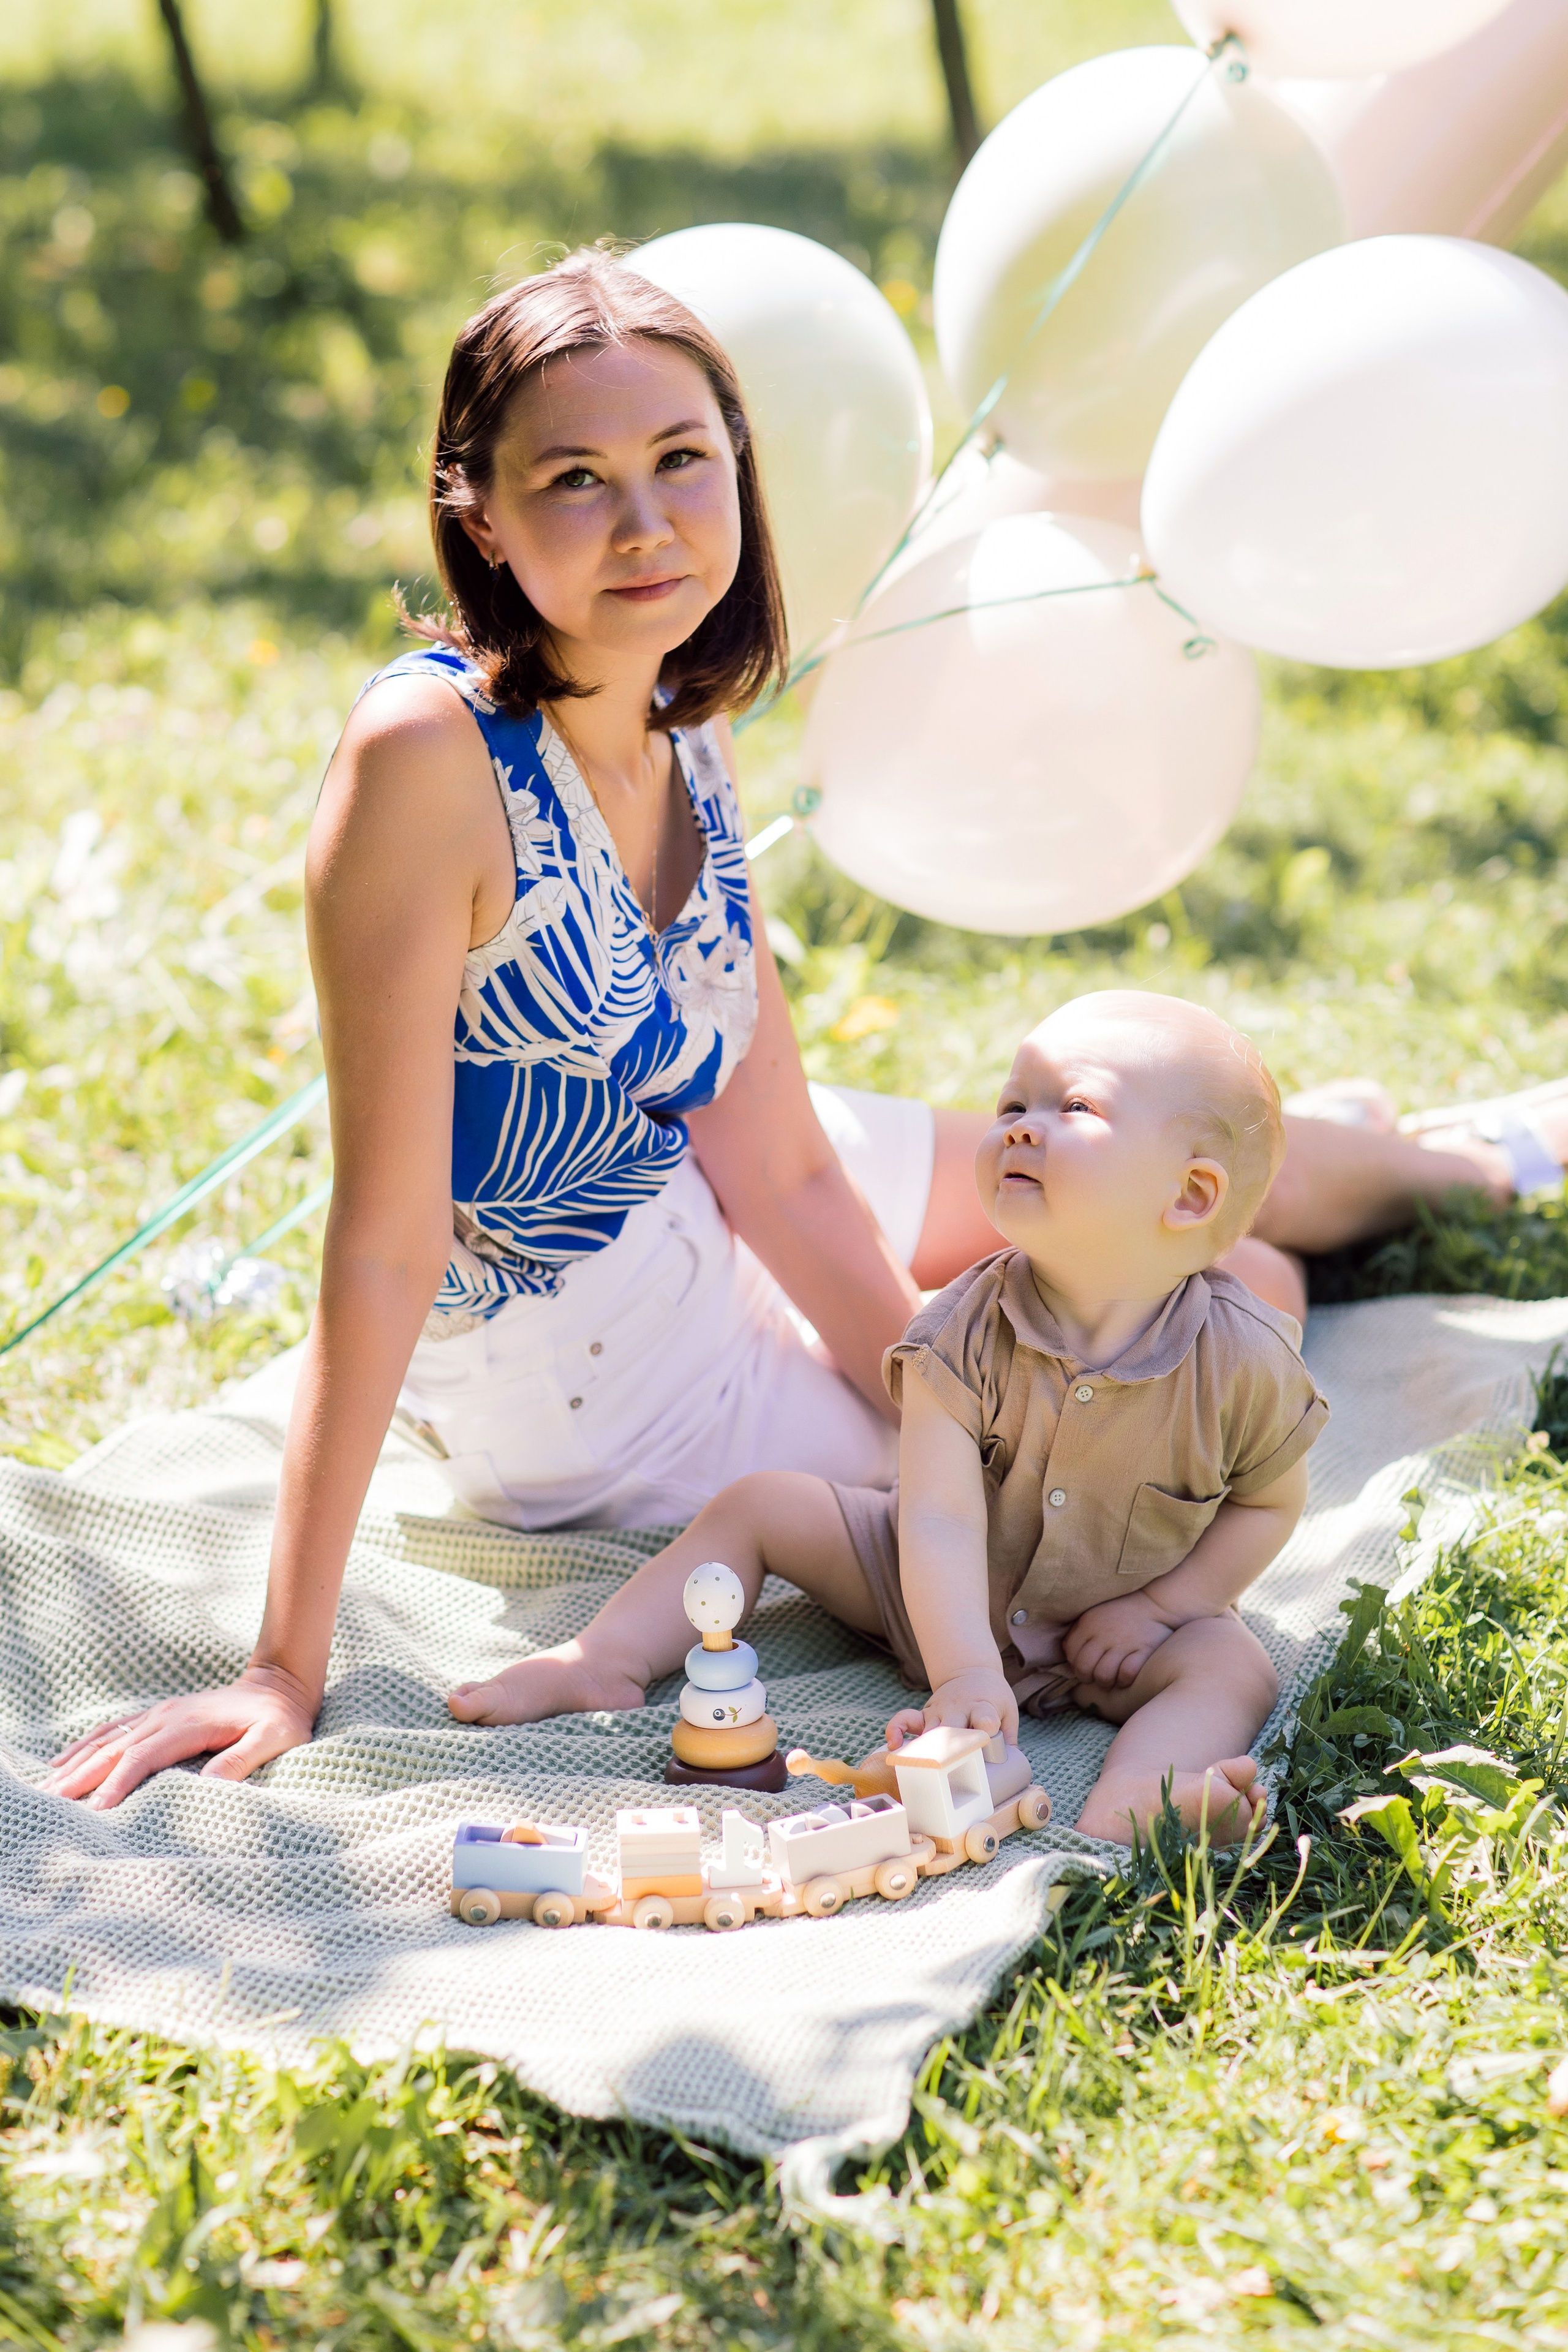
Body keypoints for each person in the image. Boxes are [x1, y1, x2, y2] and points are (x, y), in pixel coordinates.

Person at [42, 249, 1563, 1812]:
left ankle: (1468, 1160)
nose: (646, 524)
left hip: (727, 1187)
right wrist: (283, 1664)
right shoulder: (425, 760)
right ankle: (1425, 1156)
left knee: (1198, 1197)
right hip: (609, 1362)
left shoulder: (679, 718)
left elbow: (779, 1177)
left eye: (682, 461)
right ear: (479, 514)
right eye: (576, 478)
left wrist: (937, 1385)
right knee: (1238, 1280)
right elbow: (381, 1241)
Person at [447, 991, 1326, 1844]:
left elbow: (1269, 1505)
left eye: (1078, 1106)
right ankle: (609, 1655)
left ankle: (1144, 1791)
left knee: (1233, 1665)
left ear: (1190, 1197)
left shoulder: (1245, 1361)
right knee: (763, 1507)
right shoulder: (958, 1331)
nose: (1022, 1125)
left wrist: (1167, 1608)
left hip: (1116, 1637)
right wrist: (968, 1672)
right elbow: (937, 1516)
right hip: (929, 1591)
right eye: (1014, 1102)